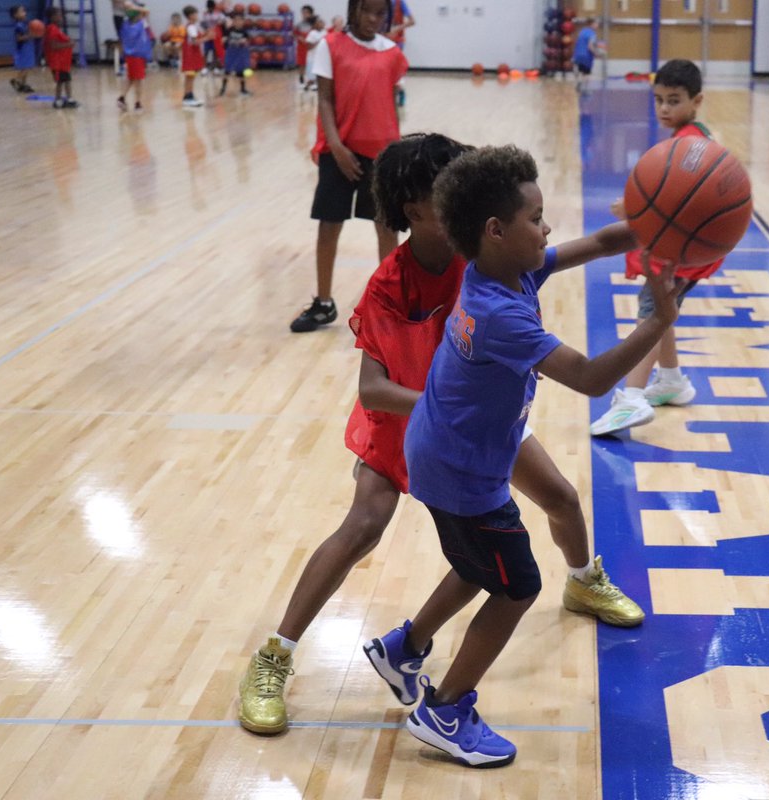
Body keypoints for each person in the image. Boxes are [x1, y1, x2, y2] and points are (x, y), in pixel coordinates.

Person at [238, 133, 643, 736]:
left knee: (558, 499)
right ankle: (274, 656)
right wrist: (444, 408)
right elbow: (372, 390)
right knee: (363, 529)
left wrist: (658, 227)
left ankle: (583, 582)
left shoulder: (485, 257)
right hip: (404, 424)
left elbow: (590, 247)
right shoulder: (387, 286)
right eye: (445, 183)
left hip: (468, 426)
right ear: (416, 211)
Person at [363, 144, 678, 768]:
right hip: (463, 470)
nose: (549, 228)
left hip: (450, 447)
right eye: (537, 217)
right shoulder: (499, 310)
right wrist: (658, 319)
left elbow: (598, 242)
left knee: (478, 564)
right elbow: (589, 379)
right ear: (496, 229)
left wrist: (659, 228)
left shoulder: (501, 270)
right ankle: (445, 710)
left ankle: (405, 647)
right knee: (517, 586)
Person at [590, 59, 721, 437]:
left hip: (683, 250)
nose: (664, 108)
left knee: (651, 315)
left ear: (696, 101)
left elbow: (679, 203)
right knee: (662, 310)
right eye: (659, 100)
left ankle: (631, 397)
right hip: (686, 247)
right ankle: (671, 380)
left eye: (674, 101)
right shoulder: (690, 137)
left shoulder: (691, 145)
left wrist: (632, 208)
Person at [290, 0, 406, 333]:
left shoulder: (392, 52)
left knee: (386, 228)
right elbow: (324, 98)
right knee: (329, 226)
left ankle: (387, 307)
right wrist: (337, 147)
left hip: (382, 155)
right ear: (353, 10)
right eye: (366, 11)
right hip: (338, 152)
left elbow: (389, 102)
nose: (372, 18)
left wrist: (395, 150)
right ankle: (324, 304)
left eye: (379, 13)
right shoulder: (331, 45)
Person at [117, 4, 151, 112]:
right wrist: (135, 7)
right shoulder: (141, 24)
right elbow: (147, 11)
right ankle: (138, 103)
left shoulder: (125, 25)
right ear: (137, 15)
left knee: (131, 78)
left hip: (130, 56)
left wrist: (130, 9)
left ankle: (122, 98)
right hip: (137, 56)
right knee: (138, 81)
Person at [43, 8, 77, 108]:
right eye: (58, 15)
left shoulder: (55, 29)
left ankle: (63, 99)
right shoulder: (52, 29)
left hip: (62, 62)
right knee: (62, 81)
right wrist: (69, 44)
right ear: (52, 17)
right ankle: (63, 100)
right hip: (58, 62)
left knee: (64, 81)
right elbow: (53, 46)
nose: (61, 17)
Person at [220, 10, 251, 96]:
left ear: (243, 21)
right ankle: (222, 89)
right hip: (231, 53)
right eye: (235, 20)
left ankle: (243, 89)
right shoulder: (229, 30)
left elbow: (246, 41)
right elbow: (223, 40)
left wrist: (242, 42)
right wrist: (226, 40)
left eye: (239, 20)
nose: (237, 22)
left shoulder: (244, 32)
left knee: (241, 73)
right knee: (227, 71)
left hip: (240, 54)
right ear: (233, 21)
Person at [180, 5, 205, 107]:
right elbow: (195, 42)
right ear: (190, 16)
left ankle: (188, 96)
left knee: (191, 76)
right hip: (191, 54)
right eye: (195, 14)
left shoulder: (193, 26)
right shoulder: (190, 27)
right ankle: (188, 97)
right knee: (190, 76)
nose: (197, 15)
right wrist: (208, 37)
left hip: (192, 54)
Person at [9, 6, 36, 94]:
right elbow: (18, 38)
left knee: (26, 67)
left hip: (27, 48)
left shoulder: (23, 24)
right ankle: (16, 80)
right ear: (15, 15)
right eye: (22, 11)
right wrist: (30, 36)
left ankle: (23, 84)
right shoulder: (18, 26)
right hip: (23, 49)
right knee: (25, 68)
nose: (25, 13)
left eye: (24, 11)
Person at [573, 18, 606, 87]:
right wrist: (597, 53)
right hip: (586, 55)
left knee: (580, 70)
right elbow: (590, 46)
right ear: (592, 24)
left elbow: (578, 42)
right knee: (587, 73)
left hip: (578, 54)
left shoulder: (582, 31)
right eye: (596, 23)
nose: (597, 25)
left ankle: (578, 82)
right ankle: (585, 88)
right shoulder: (592, 34)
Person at [302, 14, 325, 92]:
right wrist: (319, 42)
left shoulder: (325, 32)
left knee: (320, 75)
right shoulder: (312, 33)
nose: (322, 23)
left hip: (321, 58)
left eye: (322, 22)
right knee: (312, 76)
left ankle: (311, 85)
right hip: (313, 59)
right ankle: (308, 85)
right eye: (320, 22)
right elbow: (308, 47)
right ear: (315, 24)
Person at [201, 0, 224, 73]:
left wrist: (220, 22)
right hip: (207, 34)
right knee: (206, 51)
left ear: (214, 7)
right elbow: (202, 23)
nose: (210, 9)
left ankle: (215, 67)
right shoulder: (205, 13)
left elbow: (224, 21)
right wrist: (207, 29)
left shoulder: (219, 13)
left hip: (216, 34)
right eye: (209, 8)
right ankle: (204, 67)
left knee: (215, 51)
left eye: (212, 8)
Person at [294, 4, 314, 84]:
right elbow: (295, 34)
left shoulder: (314, 24)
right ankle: (301, 77)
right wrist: (299, 38)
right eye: (303, 13)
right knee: (301, 63)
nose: (304, 14)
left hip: (311, 47)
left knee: (311, 63)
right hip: (302, 46)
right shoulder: (299, 24)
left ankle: (311, 79)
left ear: (311, 14)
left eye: (306, 13)